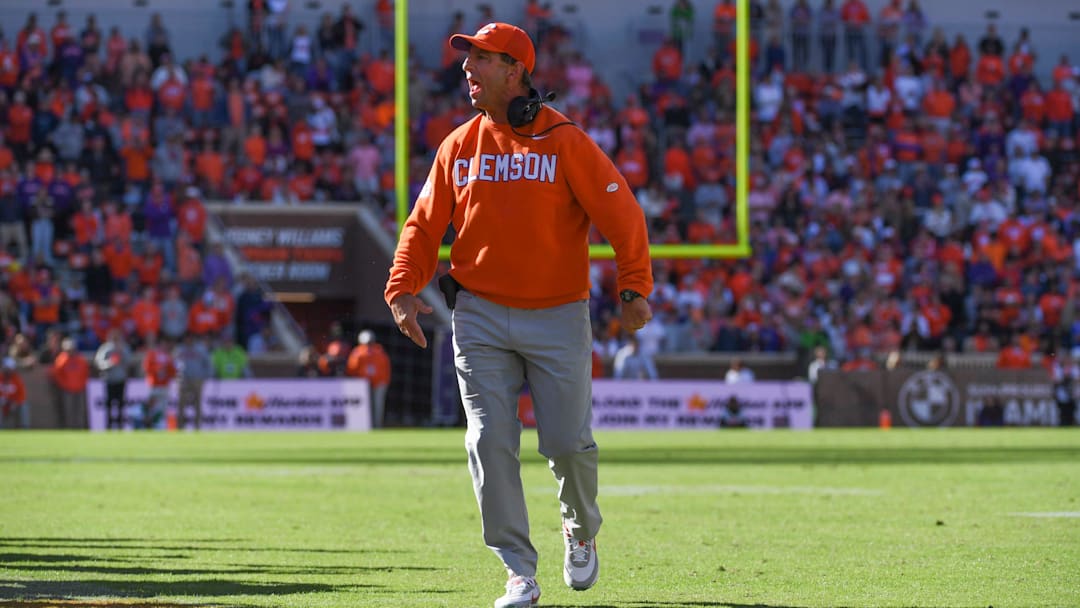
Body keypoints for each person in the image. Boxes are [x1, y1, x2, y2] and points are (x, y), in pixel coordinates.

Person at [384, 22, 653, 608]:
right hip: (478, 314)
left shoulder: (565, 140)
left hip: (557, 315)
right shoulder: (458, 145)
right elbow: (425, 224)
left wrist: (633, 287)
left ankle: (580, 532)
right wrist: (403, 286)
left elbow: (622, 214)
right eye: (466, 59)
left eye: (480, 60)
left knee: (567, 446)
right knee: (488, 440)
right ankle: (517, 572)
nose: (467, 70)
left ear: (516, 71)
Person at [346, 329, 392, 428]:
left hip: (378, 383)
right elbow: (352, 368)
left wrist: (384, 382)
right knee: (365, 406)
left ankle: (376, 426)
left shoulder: (379, 353)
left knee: (377, 406)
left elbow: (386, 369)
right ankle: (366, 426)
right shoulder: (359, 353)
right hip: (364, 384)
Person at [94, 328, 131, 430]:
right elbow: (99, 362)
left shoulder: (123, 347)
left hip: (120, 380)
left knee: (120, 404)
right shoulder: (105, 348)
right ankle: (109, 426)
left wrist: (121, 353)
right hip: (109, 380)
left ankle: (120, 426)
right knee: (109, 405)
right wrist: (109, 363)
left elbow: (129, 361)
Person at [174, 333, 212, 430]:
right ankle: (180, 427)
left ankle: (197, 427)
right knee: (181, 404)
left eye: (190, 338)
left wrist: (205, 377)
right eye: (187, 338)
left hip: (197, 379)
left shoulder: (200, 349)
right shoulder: (179, 349)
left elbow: (208, 363)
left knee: (197, 404)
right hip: (183, 380)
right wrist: (177, 377)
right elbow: (174, 364)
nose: (188, 340)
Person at [52, 337, 89, 429]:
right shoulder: (61, 359)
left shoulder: (80, 359)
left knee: (80, 410)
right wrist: (64, 385)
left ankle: (79, 428)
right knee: (68, 411)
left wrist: (82, 384)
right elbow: (57, 375)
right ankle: (69, 429)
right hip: (67, 390)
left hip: (79, 389)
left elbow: (85, 373)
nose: (70, 351)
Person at [141, 335, 176, 429]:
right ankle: (147, 424)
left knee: (162, 407)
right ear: (159, 345)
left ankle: (159, 425)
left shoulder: (169, 357)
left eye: (166, 344)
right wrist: (157, 369)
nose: (164, 346)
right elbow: (146, 367)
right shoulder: (152, 355)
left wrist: (167, 371)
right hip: (153, 384)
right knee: (150, 406)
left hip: (164, 385)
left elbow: (173, 371)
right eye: (163, 344)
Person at [0, 357, 28, 429]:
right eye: (7, 369)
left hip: (13, 404)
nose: (9, 371)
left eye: (11, 369)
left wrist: (14, 403)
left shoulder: (16, 379)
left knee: (24, 406)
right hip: (2, 405)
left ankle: (24, 428)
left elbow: (22, 396)